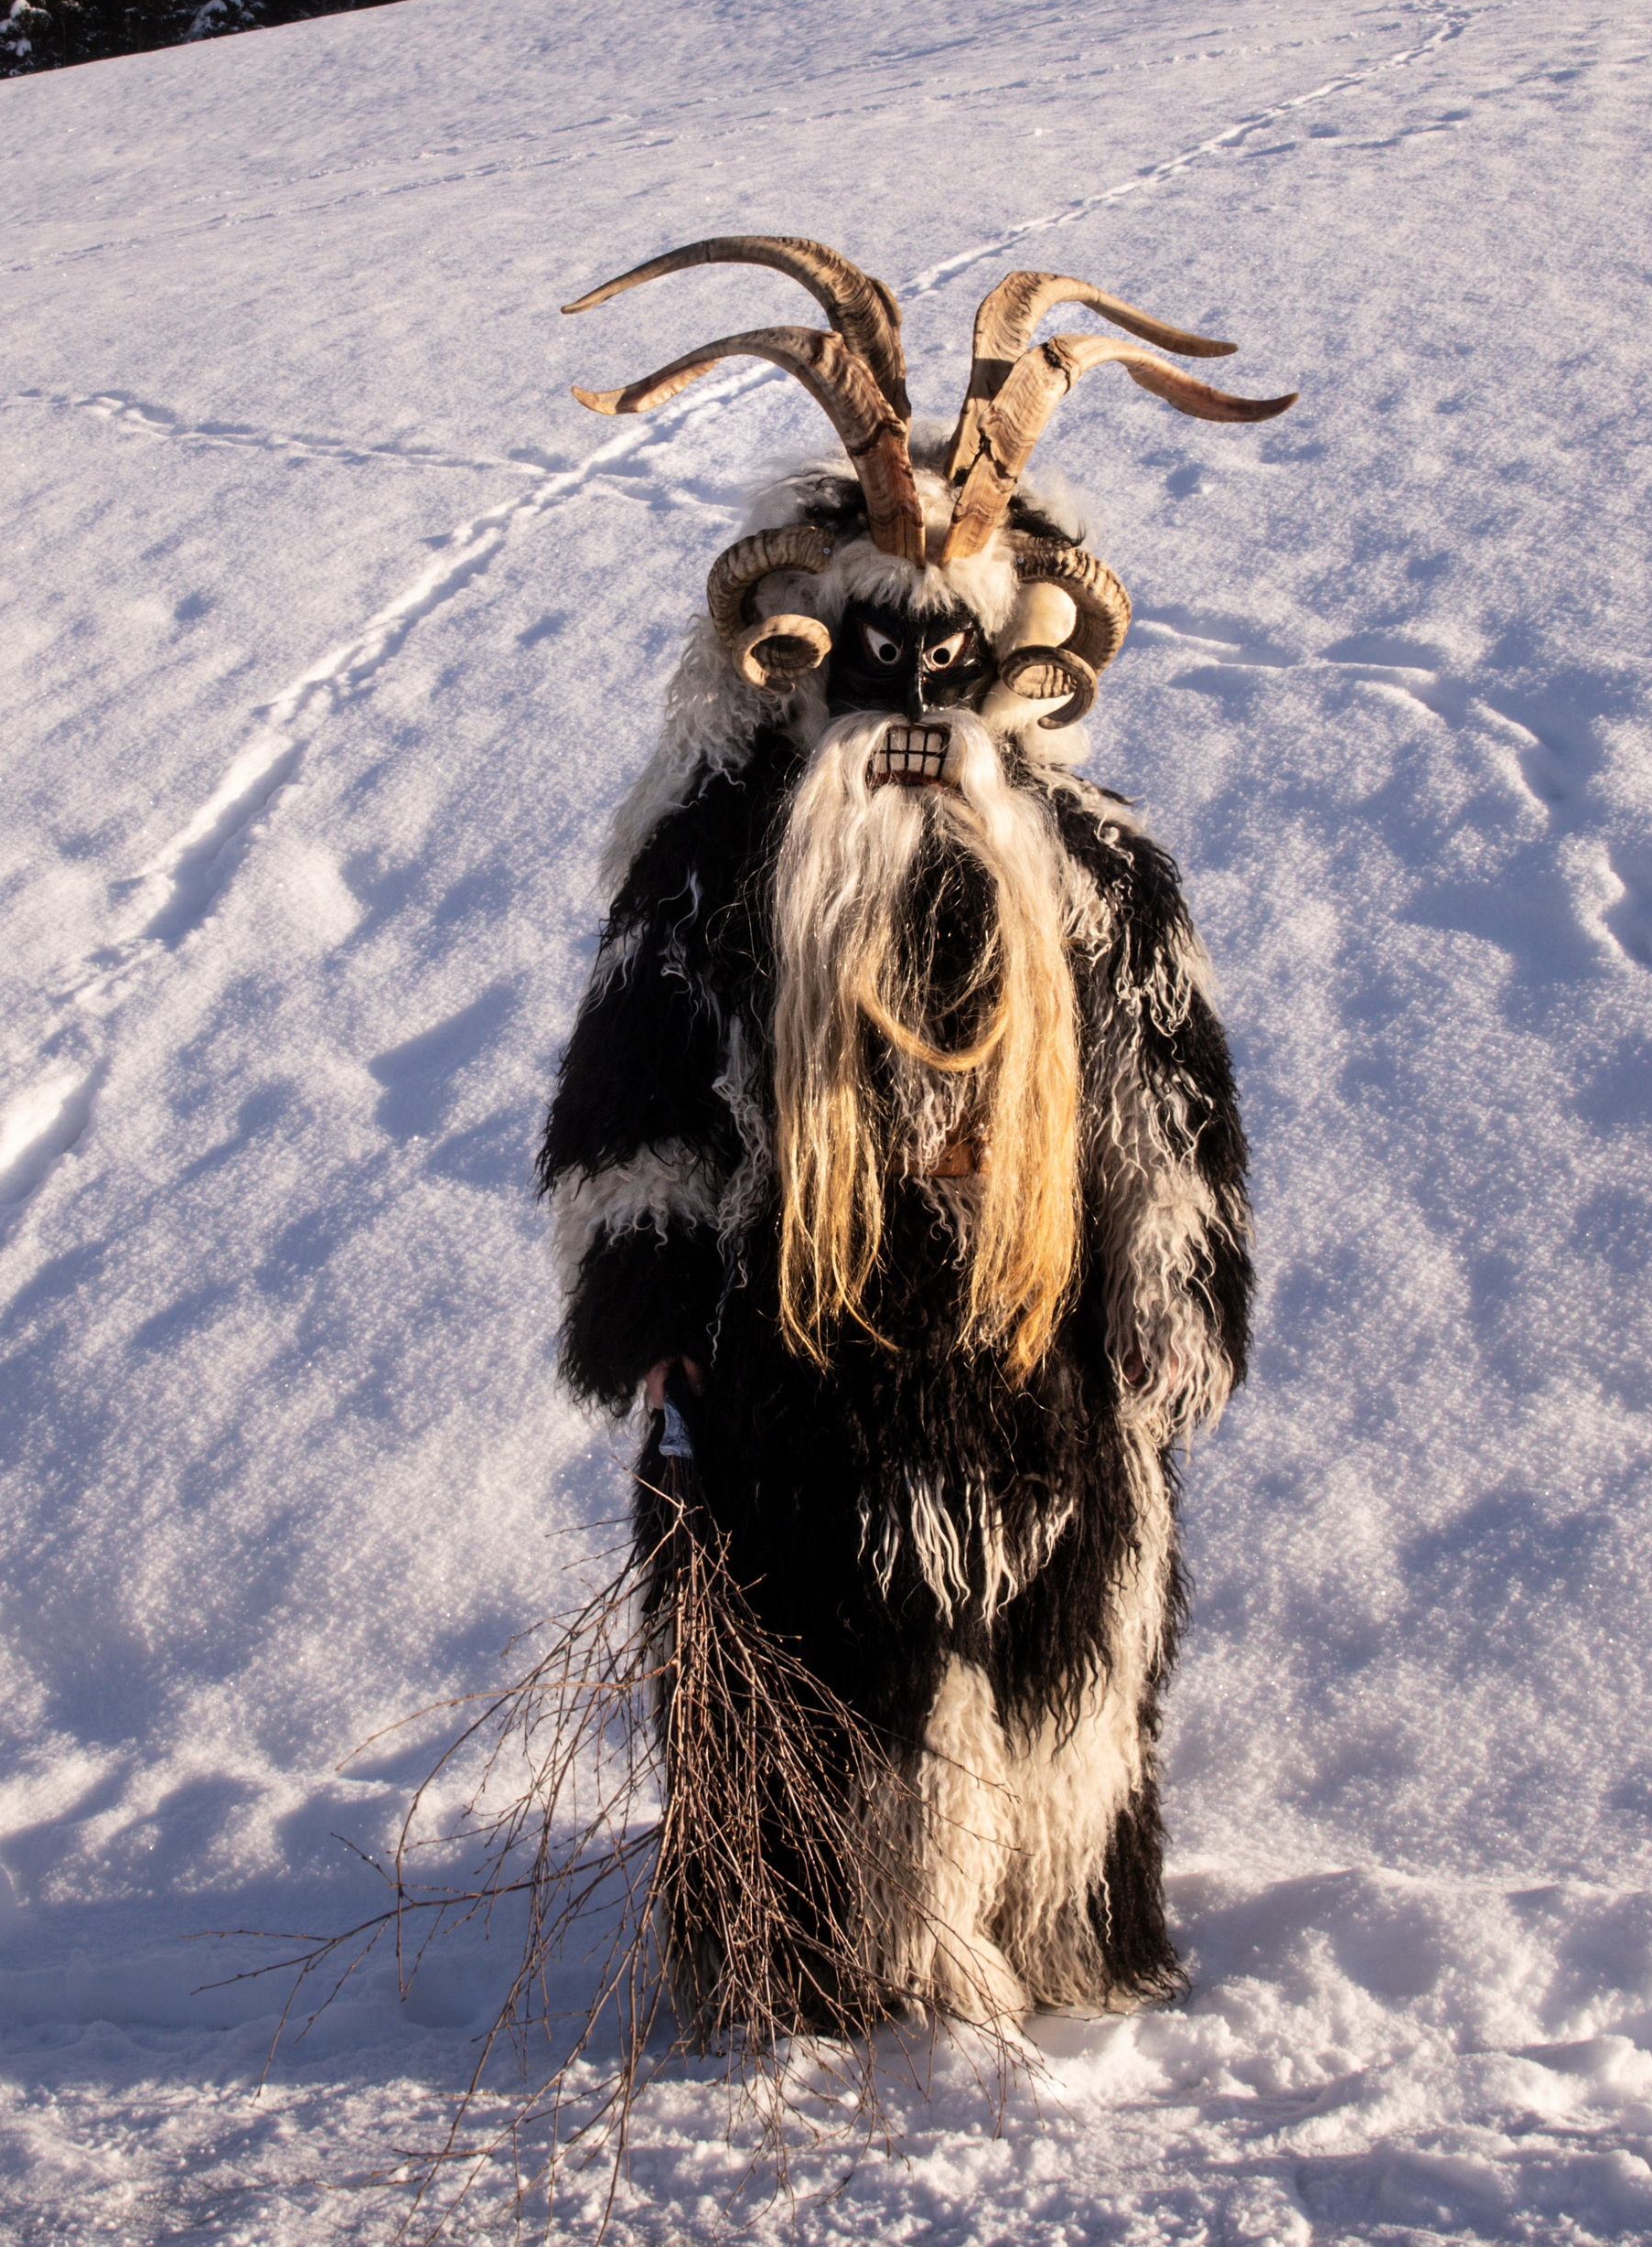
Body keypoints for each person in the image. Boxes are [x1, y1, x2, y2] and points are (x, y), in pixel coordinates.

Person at [540, 235, 1291, 2021]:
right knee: (800, 1644)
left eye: (953, 665)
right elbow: (633, 1092)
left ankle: (1047, 1926)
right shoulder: (721, 852)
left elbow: (1166, 1113)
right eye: (874, 657)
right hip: (787, 1357)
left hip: (1037, 1361)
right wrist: (650, 1317)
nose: (914, 713)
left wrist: (1169, 1310)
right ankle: (799, 1933)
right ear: (799, 647)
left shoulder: (1095, 867)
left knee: (1052, 1658)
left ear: (1023, 661)